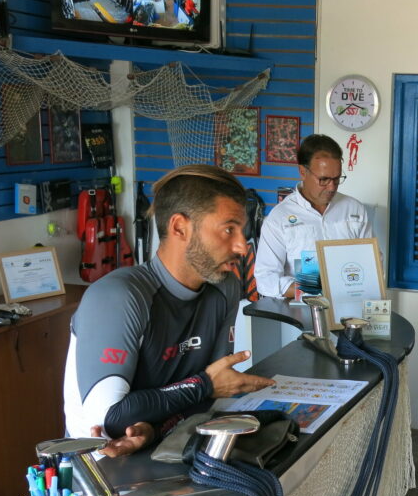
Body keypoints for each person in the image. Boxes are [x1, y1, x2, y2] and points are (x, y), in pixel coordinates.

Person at [63, 164, 275, 457]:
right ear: (179, 228)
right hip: (100, 471)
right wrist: (204, 385)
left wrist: (156, 427)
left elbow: (210, 398)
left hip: (169, 444)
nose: (241, 246)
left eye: (242, 231)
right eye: (229, 229)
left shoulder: (225, 287)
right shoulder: (118, 297)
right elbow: (110, 418)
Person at [255, 134, 372, 298]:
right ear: (303, 171)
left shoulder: (355, 209)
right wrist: (314, 289)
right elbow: (266, 280)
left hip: (350, 308)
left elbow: (372, 264)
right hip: (300, 314)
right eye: (323, 179)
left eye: (337, 179)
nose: (331, 187)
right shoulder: (279, 218)